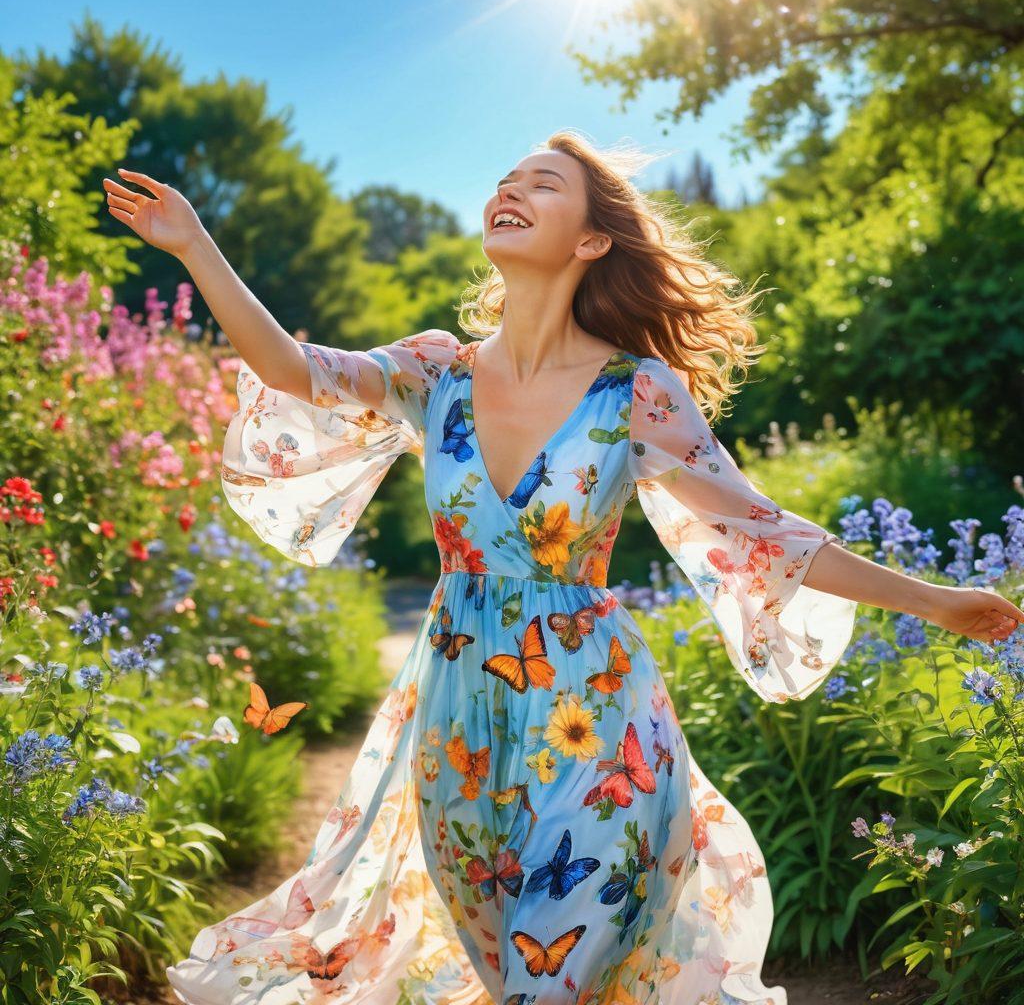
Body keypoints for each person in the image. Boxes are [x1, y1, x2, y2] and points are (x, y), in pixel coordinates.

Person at [104, 130, 1021, 1005]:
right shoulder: (435, 373)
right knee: (515, 974)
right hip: (459, 720)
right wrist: (194, 247)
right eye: (507, 179)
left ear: (590, 239)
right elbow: (295, 369)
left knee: (555, 978)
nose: (510, 190)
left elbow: (766, 532)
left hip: (602, 723)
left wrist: (933, 601)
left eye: (542, 184)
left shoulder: (638, 393)